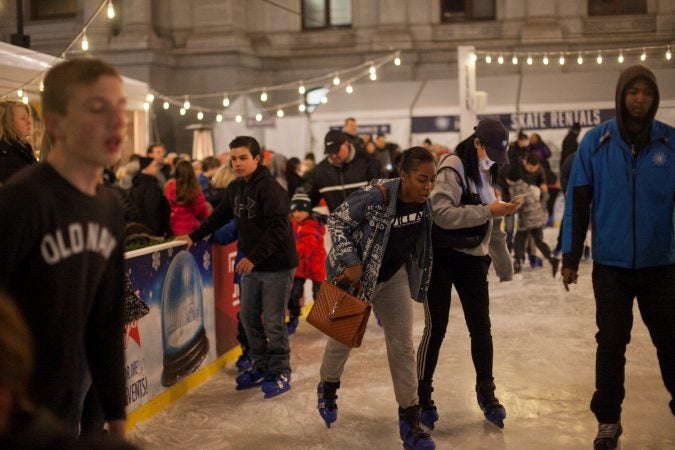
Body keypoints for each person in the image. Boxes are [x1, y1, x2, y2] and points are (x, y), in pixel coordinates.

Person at [0, 58, 128, 438]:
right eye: (97, 108)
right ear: (55, 123)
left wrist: (117, 424)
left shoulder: (109, 207)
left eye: (120, 106)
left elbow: (105, 325)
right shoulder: (23, 200)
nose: (118, 120)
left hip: (67, 399)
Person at [561, 64, 675, 450]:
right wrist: (570, 257)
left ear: (654, 97)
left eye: (646, 92)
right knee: (611, 343)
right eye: (633, 92)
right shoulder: (596, 142)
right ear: (621, 96)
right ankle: (608, 420)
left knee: (671, 341)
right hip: (610, 265)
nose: (639, 99)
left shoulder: (670, 143)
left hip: (661, 263)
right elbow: (578, 201)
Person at [316, 147, 437, 450]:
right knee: (342, 340)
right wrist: (351, 261)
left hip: (393, 277)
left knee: (402, 347)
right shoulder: (377, 195)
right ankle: (328, 386)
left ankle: (410, 420)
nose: (428, 186)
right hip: (359, 277)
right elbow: (337, 222)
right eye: (422, 179)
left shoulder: (425, 204)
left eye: (432, 180)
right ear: (404, 175)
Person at [416, 118, 517, 431]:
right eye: (490, 153)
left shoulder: (486, 172)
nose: (493, 161)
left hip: (473, 260)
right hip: (442, 257)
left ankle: (487, 394)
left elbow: (488, 221)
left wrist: (501, 260)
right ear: (477, 143)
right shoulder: (453, 166)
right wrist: (489, 210)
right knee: (437, 328)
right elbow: (441, 214)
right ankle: (422, 397)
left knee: (481, 328)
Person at [179, 136, 298, 399]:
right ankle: (261, 365)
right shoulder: (234, 188)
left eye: (243, 157)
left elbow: (278, 230)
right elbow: (218, 217)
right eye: (233, 158)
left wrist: (253, 258)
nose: (237, 163)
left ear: (257, 158)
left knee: (274, 323)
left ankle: (280, 371)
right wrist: (194, 236)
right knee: (247, 317)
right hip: (252, 266)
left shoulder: (271, 189)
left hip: (277, 265)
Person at [507, 153, 560, 276]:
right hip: (537, 215)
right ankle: (552, 258)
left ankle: (518, 262)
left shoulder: (516, 187)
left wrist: (509, 210)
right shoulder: (524, 184)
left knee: (519, 240)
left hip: (528, 218)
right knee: (538, 240)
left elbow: (519, 203)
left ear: (511, 179)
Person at [308, 129, 380, 212]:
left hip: (367, 223)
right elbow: (310, 198)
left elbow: (382, 194)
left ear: (346, 144)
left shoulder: (368, 163)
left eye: (336, 151)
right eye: (330, 152)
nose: (334, 156)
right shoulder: (321, 171)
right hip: (338, 224)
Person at [286, 192, 326, 335]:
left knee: (318, 294)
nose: (296, 214)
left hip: (315, 266)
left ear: (307, 210)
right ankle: (293, 317)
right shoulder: (293, 224)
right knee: (294, 294)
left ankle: (324, 320)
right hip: (299, 267)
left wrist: (290, 253)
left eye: (300, 210)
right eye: (294, 210)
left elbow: (307, 247)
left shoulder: (314, 225)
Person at [165, 159, 211, 236]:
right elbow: (201, 211)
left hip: (172, 226)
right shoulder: (194, 189)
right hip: (190, 228)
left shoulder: (169, 186)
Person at [129, 156, 172, 237]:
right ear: (146, 168)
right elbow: (152, 210)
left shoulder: (137, 183)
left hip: (141, 229)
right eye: (155, 166)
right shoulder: (151, 187)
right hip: (152, 231)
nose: (157, 168)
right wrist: (156, 232)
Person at [0, 100, 37, 185]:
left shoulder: (21, 147)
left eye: (28, 117)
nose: (29, 122)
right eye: (23, 118)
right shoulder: (5, 152)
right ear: (8, 122)